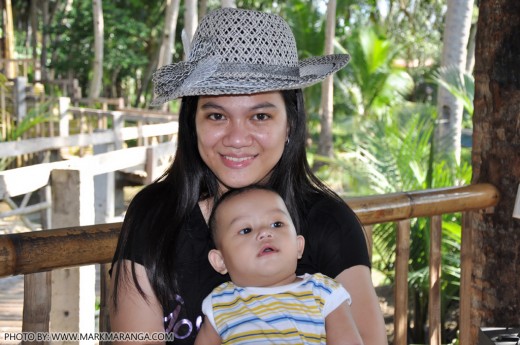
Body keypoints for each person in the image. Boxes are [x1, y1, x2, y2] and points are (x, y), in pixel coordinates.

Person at [110, 7, 387, 345]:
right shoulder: (155, 215)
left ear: (290, 124)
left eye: (259, 116)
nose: (237, 138)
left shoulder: (329, 223)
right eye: (216, 115)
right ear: (192, 123)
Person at [194, 185, 364, 345]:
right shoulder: (219, 304)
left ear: (298, 245)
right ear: (220, 260)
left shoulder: (324, 292)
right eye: (246, 230)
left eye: (276, 224)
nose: (264, 232)